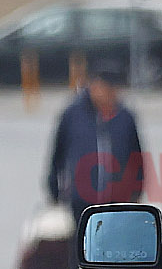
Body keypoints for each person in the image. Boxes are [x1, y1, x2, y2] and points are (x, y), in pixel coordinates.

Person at [46, 59, 145, 230]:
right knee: (83, 240)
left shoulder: (125, 117)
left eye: (115, 90)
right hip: (82, 201)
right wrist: (54, 188)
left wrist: (137, 189)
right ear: (94, 86)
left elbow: (136, 156)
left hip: (117, 200)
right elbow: (58, 153)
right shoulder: (73, 114)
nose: (112, 95)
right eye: (107, 89)